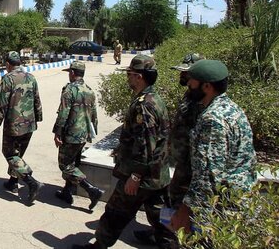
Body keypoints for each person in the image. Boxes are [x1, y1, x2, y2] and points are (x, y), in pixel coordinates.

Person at [73, 54, 171, 249]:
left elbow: (145, 143)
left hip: (140, 177)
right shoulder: (155, 98)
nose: (128, 78)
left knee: (115, 213)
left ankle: (99, 246)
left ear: (139, 77)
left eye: (130, 74)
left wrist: (135, 176)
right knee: (162, 220)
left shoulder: (144, 105)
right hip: (157, 175)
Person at [170, 59, 256, 235]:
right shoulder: (232, 109)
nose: (189, 84)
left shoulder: (212, 119)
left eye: (192, 80)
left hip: (221, 206)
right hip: (237, 199)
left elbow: (207, 174)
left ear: (207, 86)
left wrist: (185, 212)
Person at [134, 53, 204, 247]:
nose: (181, 76)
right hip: (180, 163)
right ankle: (162, 232)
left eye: (185, 73)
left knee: (183, 207)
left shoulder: (202, 101)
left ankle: (173, 240)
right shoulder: (190, 95)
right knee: (169, 202)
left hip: (192, 166)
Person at [0, 51, 44, 203]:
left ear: (8, 64)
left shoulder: (8, 79)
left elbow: (1, 103)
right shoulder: (31, 77)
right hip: (29, 124)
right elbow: (37, 99)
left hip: (14, 125)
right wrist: (37, 118)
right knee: (18, 154)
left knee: (10, 153)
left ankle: (32, 182)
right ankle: (13, 182)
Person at [53, 61, 104, 210]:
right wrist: (92, 131)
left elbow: (63, 113)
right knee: (74, 163)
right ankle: (66, 192)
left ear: (73, 73)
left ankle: (91, 190)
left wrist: (58, 132)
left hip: (71, 134)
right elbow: (94, 114)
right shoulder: (89, 91)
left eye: (70, 72)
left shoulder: (69, 90)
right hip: (83, 134)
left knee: (65, 165)